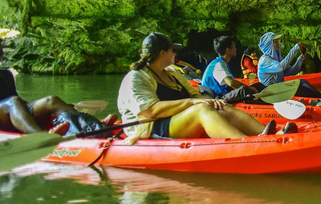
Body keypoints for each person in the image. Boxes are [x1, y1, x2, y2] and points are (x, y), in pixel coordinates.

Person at [117, 33, 295, 145]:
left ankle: (267, 133)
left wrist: (209, 101)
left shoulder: (172, 73)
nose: (175, 54)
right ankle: (246, 143)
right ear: (162, 53)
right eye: (173, 50)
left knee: (220, 106)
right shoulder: (137, 77)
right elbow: (149, 111)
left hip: (177, 120)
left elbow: (195, 94)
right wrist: (194, 102)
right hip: (150, 128)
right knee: (201, 108)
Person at [0, 34, 116, 135]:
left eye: (0, 52)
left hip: (9, 111)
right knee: (13, 102)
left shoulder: (5, 74)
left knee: (51, 101)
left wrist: (33, 106)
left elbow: (17, 100)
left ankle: (94, 127)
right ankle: (39, 137)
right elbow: (13, 102)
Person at [257, 32, 321, 98]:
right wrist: (294, 50)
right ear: (268, 45)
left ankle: (319, 95)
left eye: (277, 41)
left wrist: (300, 59)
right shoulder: (264, 60)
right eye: (275, 42)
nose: (277, 44)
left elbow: (291, 72)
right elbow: (281, 67)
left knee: (302, 81)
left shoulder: (277, 58)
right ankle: (320, 97)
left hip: (279, 88)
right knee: (299, 88)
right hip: (271, 92)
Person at [201, 36, 258, 102]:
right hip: (217, 98)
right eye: (234, 47)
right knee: (244, 89)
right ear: (228, 50)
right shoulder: (218, 64)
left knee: (257, 85)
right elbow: (230, 82)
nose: (236, 49)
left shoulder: (222, 63)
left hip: (222, 94)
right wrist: (249, 88)